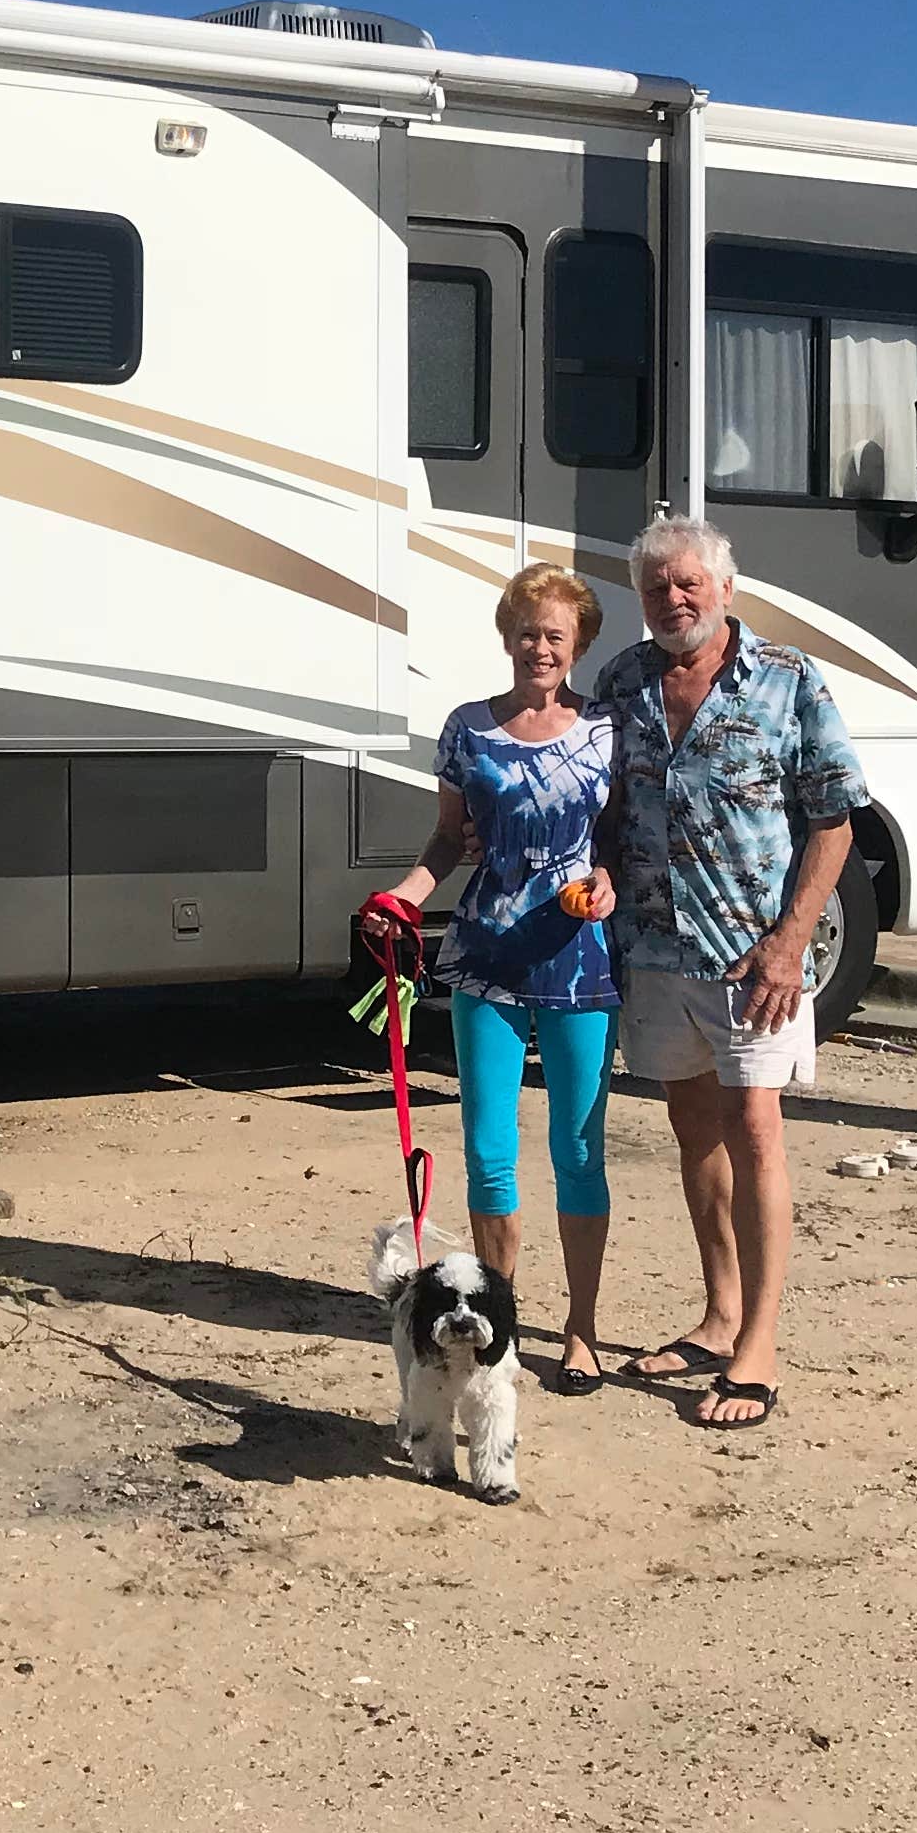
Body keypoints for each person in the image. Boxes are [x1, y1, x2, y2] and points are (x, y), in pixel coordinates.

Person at [590, 514, 868, 1432]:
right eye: (656, 588)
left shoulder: (789, 681)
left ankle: (760, 1344)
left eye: (688, 585)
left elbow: (834, 822)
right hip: (655, 951)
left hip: (756, 958)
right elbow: (602, 801)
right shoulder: (623, 684)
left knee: (755, 1129)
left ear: (724, 590)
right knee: (691, 1126)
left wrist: (792, 944)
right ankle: (717, 1314)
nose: (673, 601)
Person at [369, 562, 622, 1391]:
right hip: (484, 957)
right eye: (525, 630)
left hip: (579, 962)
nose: (537, 646)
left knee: (579, 1150)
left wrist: (610, 878)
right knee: (487, 1156)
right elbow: (449, 839)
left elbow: (622, 839)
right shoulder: (467, 729)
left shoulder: (606, 730)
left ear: (577, 643)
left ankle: (581, 1329)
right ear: (505, 636)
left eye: (554, 633)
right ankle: (496, 1327)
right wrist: (405, 898)